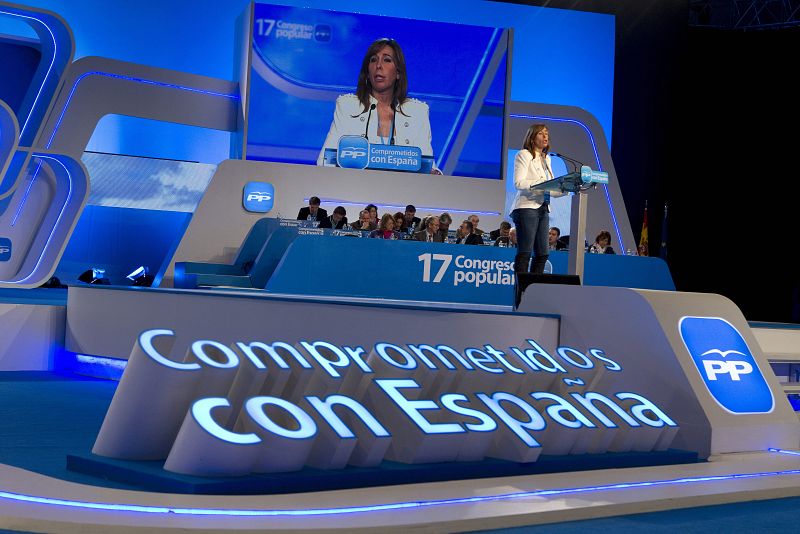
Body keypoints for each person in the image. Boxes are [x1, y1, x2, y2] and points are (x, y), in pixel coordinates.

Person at [316, 38, 440, 174]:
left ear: (398, 73)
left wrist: (435, 174)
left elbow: (428, 168)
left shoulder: (417, 112)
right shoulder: (348, 106)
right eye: (373, 60)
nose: (378, 66)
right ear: (367, 73)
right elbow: (324, 162)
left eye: (387, 60)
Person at [510, 124, 554, 275]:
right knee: (525, 252)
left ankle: (534, 289)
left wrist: (568, 188)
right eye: (541, 133)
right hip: (526, 207)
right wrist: (542, 186)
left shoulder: (547, 159)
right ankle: (521, 292)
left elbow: (552, 186)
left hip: (544, 207)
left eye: (546, 133)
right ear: (532, 137)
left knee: (543, 253)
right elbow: (519, 182)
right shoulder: (524, 154)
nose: (545, 136)